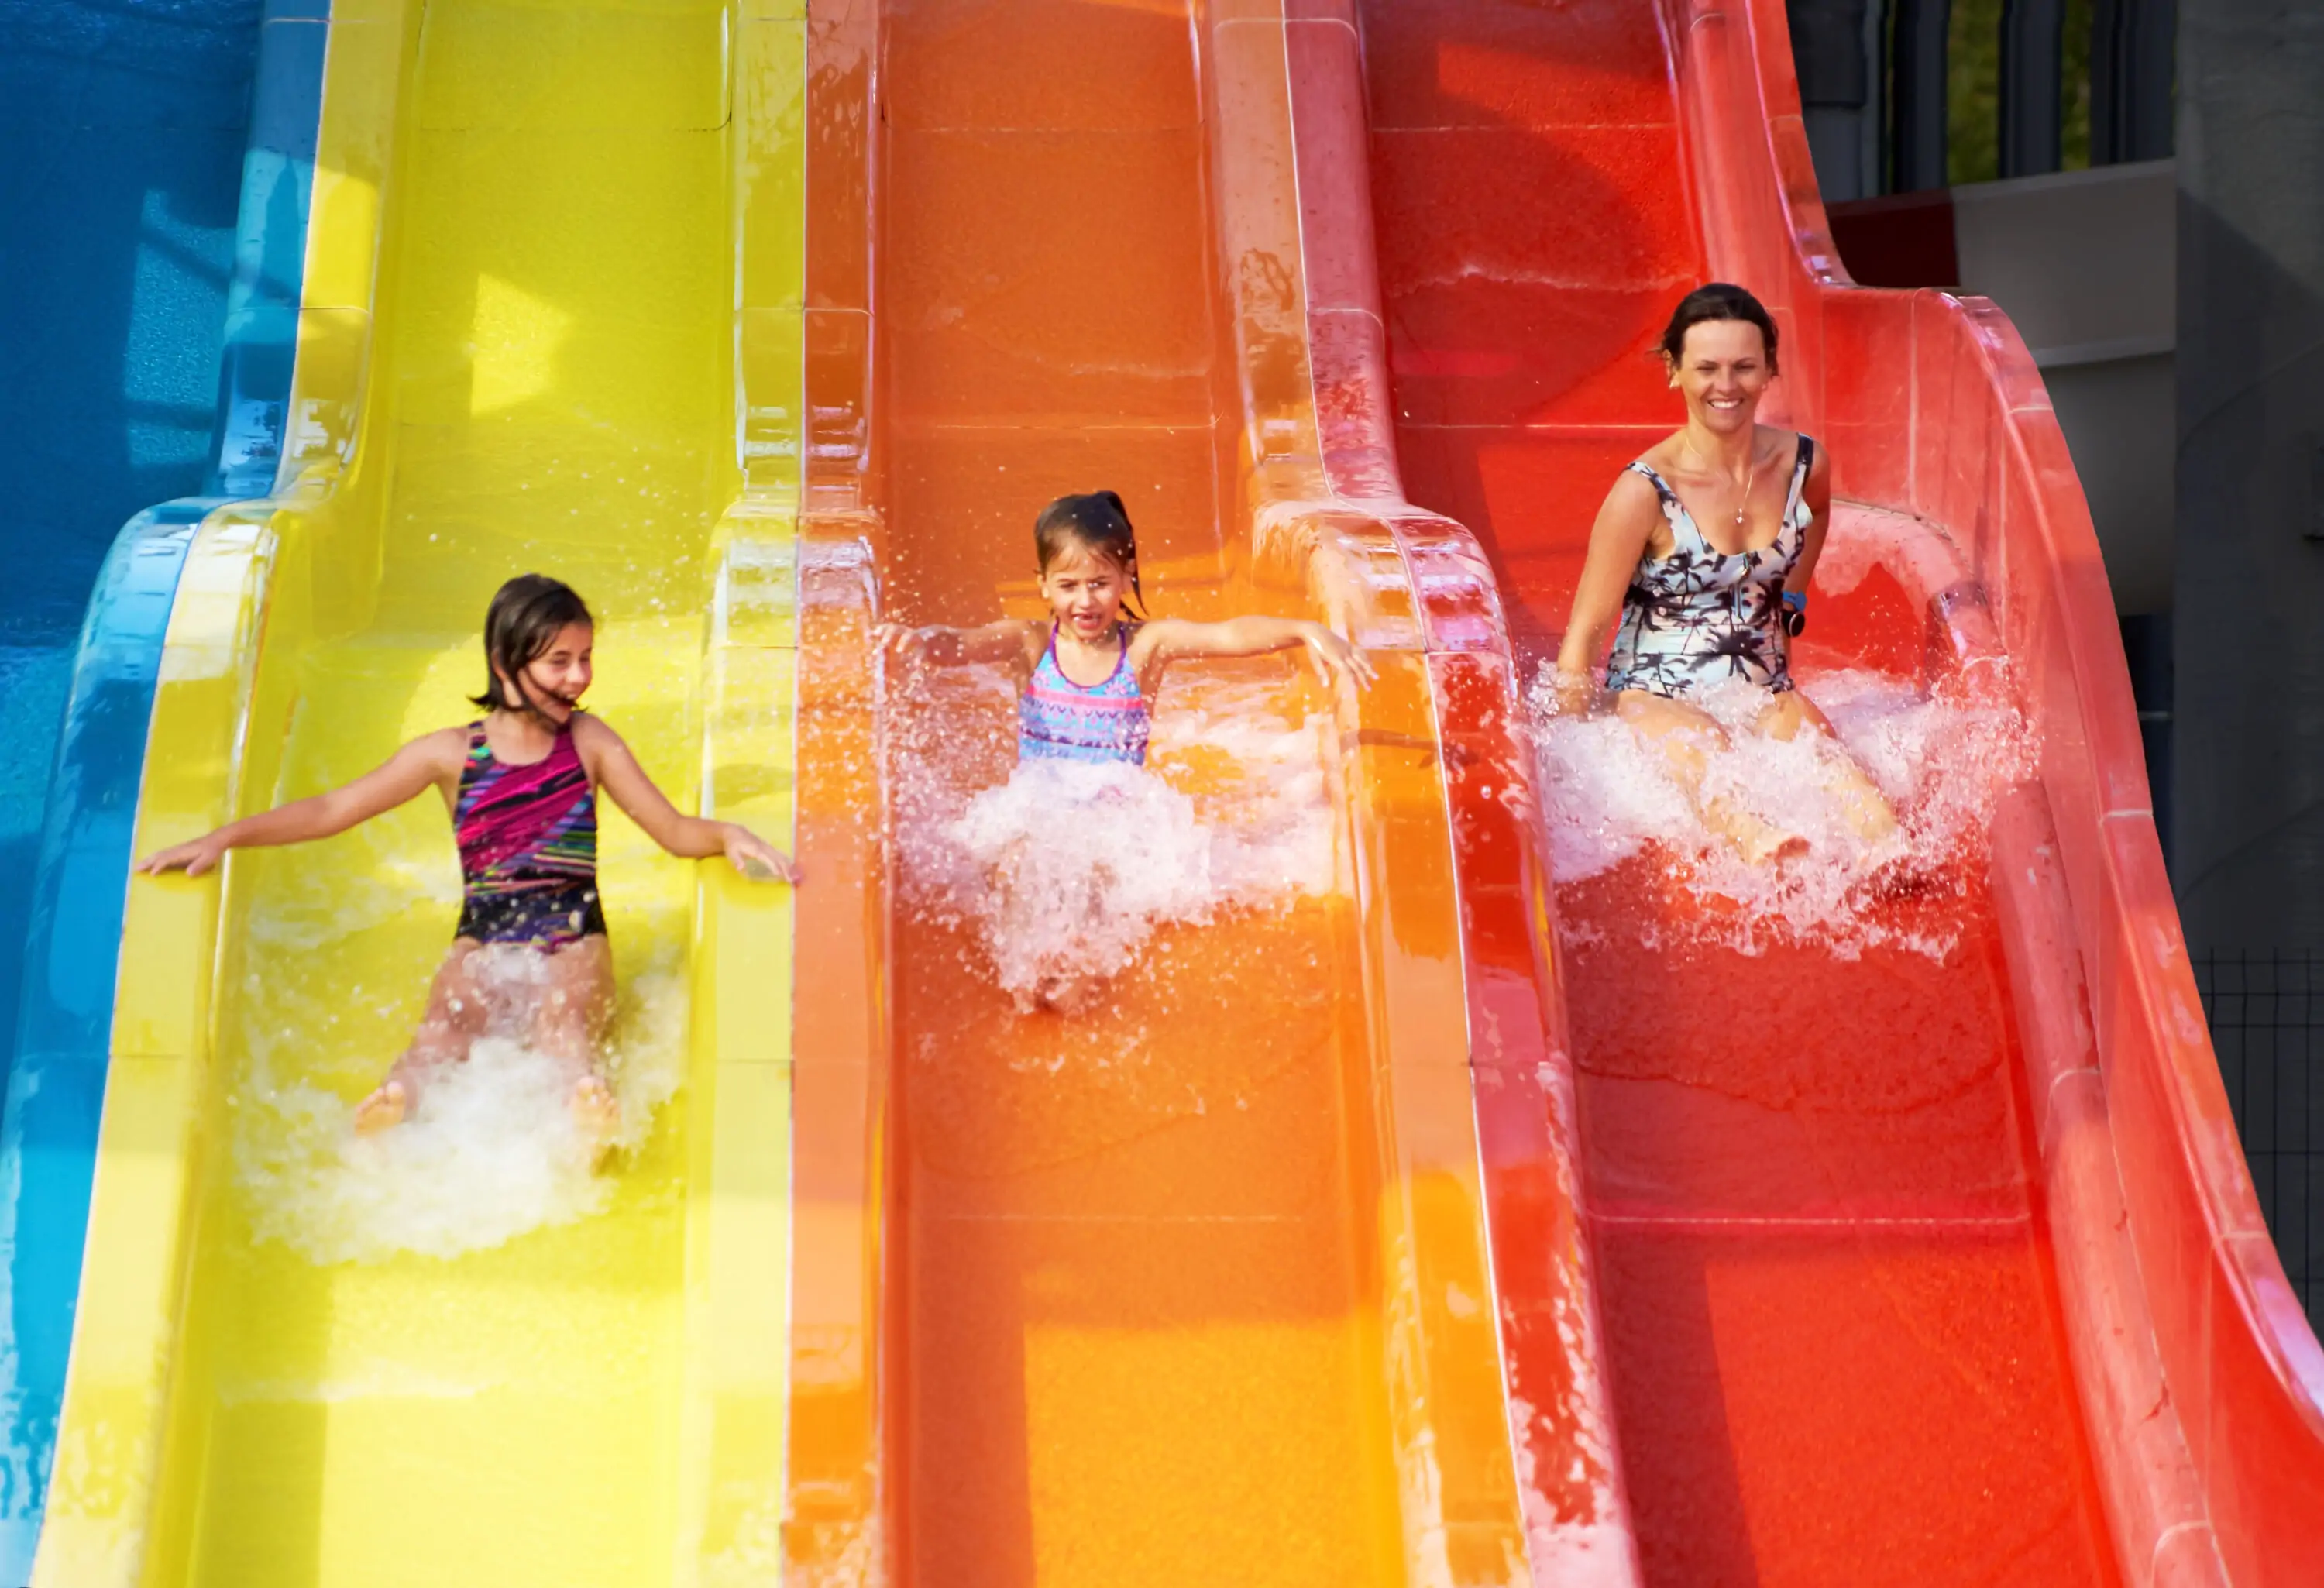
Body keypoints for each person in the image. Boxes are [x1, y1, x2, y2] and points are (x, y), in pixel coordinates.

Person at [136, 573, 798, 1151]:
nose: (580, 677)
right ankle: (395, 1103)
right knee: (441, 1032)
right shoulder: (448, 755)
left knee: (563, 1027)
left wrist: (730, 834)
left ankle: (585, 1117)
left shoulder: (589, 742)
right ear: (506, 664)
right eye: (560, 661)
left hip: (574, 934)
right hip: (482, 934)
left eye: (586, 658)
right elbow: (332, 810)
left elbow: (674, 830)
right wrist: (226, 836)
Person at [875, 490, 1373, 1007]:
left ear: (1126, 576)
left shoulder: (1144, 648)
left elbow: (1228, 635)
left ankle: (1077, 975)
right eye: (1068, 586)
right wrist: (917, 639)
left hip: (1114, 816)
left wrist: (1304, 630)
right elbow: (958, 642)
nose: (1084, 601)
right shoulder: (1030, 643)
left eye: (1099, 583)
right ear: (1042, 583)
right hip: (1038, 805)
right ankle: (1027, 964)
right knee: (1014, 862)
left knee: (1091, 876)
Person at [1548, 283, 1899, 864]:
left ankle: (1885, 840)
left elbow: (1820, 512)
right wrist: (1563, 747)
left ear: (1768, 371)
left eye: (1743, 367)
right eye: (1707, 367)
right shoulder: (1643, 493)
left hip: (1755, 687)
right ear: (1674, 371)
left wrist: (1793, 597)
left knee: (1810, 732)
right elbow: (1586, 631)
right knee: (1697, 741)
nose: (1726, 386)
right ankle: (1754, 837)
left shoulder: (1802, 465)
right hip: (1651, 694)